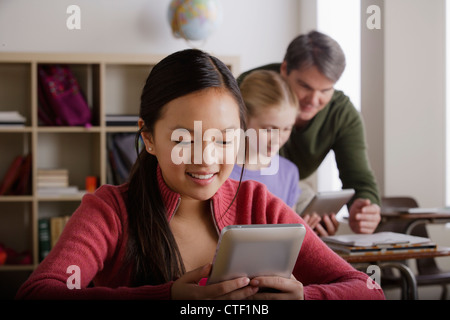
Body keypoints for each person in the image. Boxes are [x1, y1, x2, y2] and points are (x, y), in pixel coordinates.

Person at [16, 49, 384, 300]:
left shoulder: (258, 204)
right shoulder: (111, 210)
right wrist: (170, 295)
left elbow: (367, 289)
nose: (207, 158)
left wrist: (305, 295)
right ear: (148, 138)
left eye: (224, 140)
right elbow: (38, 293)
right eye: (184, 139)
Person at [237, 31, 381, 236]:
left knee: (309, 212)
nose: (313, 100)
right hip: (244, 174)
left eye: (325, 90)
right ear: (285, 69)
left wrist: (366, 209)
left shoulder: (341, 113)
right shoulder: (246, 91)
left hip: (291, 185)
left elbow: (360, 179)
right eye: (305, 86)